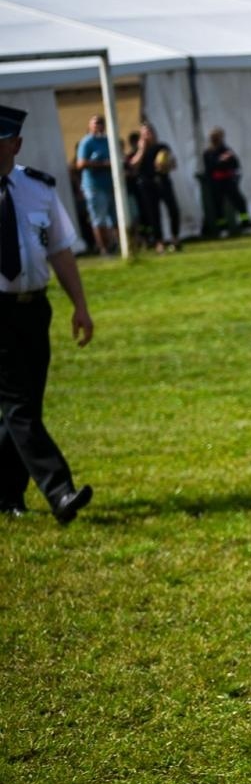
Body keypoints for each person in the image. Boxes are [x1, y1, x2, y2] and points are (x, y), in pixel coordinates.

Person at [0, 105, 94, 526]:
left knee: (25, 405)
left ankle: (6, 495)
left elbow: (59, 249)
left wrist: (80, 306)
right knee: (18, 405)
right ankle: (59, 490)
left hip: (34, 308)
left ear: (16, 145)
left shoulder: (38, 188)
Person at [126, 121, 182, 252]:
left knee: (173, 210)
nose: (147, 135)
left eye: (149, 132)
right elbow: (133, 166)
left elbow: (173, 164)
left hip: (163, 182)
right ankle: (159, 242)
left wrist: (167, 164)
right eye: (144, 133)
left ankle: (175, 238)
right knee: (153, 214)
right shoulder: (137, 150)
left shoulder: (162, 147)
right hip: (147, 184)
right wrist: (141, 150)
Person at [75, 114, 118, 255]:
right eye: (96, 123)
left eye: (101, 122)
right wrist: (103, 164)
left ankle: (118, 245)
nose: (99, 125)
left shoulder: (108, 140)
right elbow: (80, 163)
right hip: (94, 187)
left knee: (115, 218)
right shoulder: (86, 142)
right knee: (99, 218)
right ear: (90, 126)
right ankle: (104, 249)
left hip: (111, 185)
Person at [202, 127, 251, 238]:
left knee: (240, 203)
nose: (218, 139)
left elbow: (235, 164)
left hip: (228, 181)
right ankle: (223, 229)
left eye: (220, 137)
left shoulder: (226, 150)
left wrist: (234, 175)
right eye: (215, 137)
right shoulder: (208, 153)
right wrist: (221, 161)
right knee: (218, 207)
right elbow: (211, 167)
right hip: (216, 183)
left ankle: (246, 225)